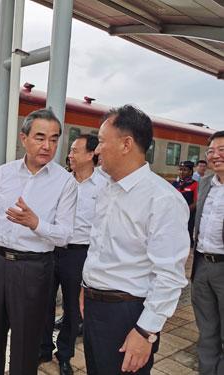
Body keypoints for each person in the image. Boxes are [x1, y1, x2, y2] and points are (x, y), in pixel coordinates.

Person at [0, 108, 77, 375]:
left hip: (34, 268)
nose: (48, 145)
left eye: (54, 139)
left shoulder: (64, 182)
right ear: (24, 138)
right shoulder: (5, 172)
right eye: (40, 137)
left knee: (25, 343)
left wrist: (36, 224)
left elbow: (66, 234)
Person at [80, 105, 190, 374]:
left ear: (126, 144)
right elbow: (101, 246)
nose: (96, 150)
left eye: (102, 142)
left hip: (128, 315)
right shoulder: (108, 188)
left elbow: (169, 276)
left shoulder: (162, 200)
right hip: (95, 308)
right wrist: (87, 285)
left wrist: (145, 332)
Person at [40, 134, 107, 374]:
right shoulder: (61, 182)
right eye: (69, 150)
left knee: (71, 309)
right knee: (44, 303)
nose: (69, 155)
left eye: (75, 151)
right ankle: (43, 348)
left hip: (80, 254)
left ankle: (65, 354)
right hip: (53, 250)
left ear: (91, 155)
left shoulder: (103, 186)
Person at [190, 130, 224, 375]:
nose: (215, 156)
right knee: (207, 329)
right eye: (211, 151)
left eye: (222, 150)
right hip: (202, 264)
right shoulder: (205, 184)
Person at [172, 160, 198, 247]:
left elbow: (196, 202)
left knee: (186, 237)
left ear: (190, 171)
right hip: (175, 215)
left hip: (188, 216)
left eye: (185, 170)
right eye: (180, 169)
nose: (181, 172)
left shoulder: (195, 184)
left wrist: (184, 211)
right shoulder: (175, 184)